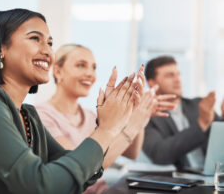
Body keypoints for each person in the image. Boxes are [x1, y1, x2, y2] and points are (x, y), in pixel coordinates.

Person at [0, 8, 158, 194]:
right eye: (35, 38)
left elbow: (76, 175)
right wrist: (107, 130)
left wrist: (112, 122)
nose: (48, 51)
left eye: (50, 43)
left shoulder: (29, 116)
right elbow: (41, 186)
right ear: (0, 49)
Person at [36, 45, 176, 193]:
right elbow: (81, 166)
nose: (90, 73)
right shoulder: (42, 115)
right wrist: (135, 123)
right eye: (81, 65)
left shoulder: (90, 115)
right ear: (58, 71)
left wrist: (139, 113)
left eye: (94, 68)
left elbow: (131, 152)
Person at [143, 55, 224, 170]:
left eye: (178, 74)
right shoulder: (148, 116)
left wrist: (223, 119)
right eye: (169, 75)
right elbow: (159, 154)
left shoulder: (199, 105)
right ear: (152, 83)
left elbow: (219, 140)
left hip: (214, 176)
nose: (177, 80)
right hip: (179, 181)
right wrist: (200, 124)